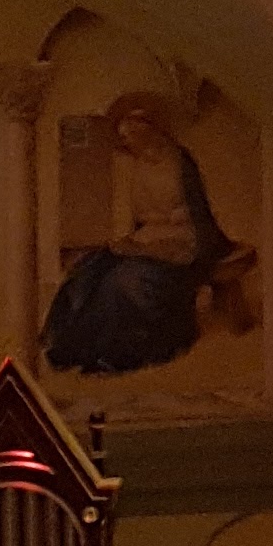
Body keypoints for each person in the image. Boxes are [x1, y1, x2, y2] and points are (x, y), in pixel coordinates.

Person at [41, 94, 252, 379]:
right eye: (124, 139)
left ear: (149, 131)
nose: (127, 143)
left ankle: (117, 354)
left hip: (185, 241)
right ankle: (73, 347)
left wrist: (157, 244)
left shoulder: (179, 162)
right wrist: (131, 242)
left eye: (130, 137)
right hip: (149, 238)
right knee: (89, 269)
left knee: (123, 283)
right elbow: (141, 217)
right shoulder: (140, 165)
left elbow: (198, 218)